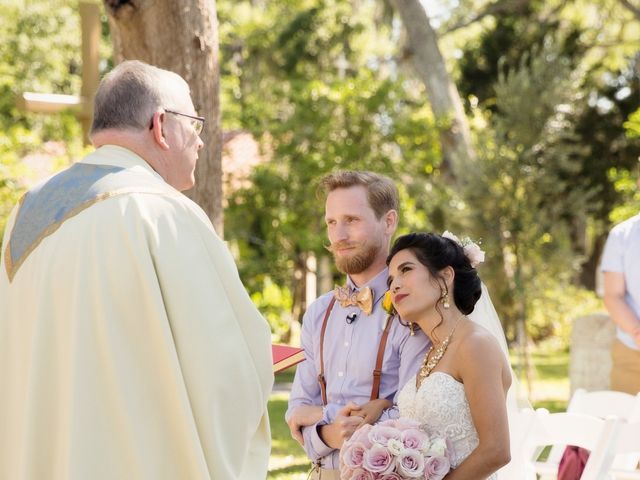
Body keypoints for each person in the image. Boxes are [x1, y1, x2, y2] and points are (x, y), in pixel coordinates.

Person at [0, 60, 273, 480]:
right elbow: (225, 376)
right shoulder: (163, 213)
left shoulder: (23, 216)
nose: (200, 142)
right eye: (195, 125)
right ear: (161, 126)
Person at [286, 171, 429, 479]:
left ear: (388, 222)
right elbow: (295, 410)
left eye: (351, 220)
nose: (338, 236)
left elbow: (414, 415)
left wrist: (319, 418)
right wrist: (328, 433)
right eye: (331, 222)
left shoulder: (412, 310)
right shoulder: (318, 313)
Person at [388, 232, 512, 479]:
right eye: (391, 279)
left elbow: (497, 450)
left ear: (445, 276)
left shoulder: (475, 345)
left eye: (406, 270)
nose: (394, 285)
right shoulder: (432, 351)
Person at [601, 210, 640, 394]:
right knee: (626, 421)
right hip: (632, 355)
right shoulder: (622, 235)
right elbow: (613, 295)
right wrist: (637, 332)